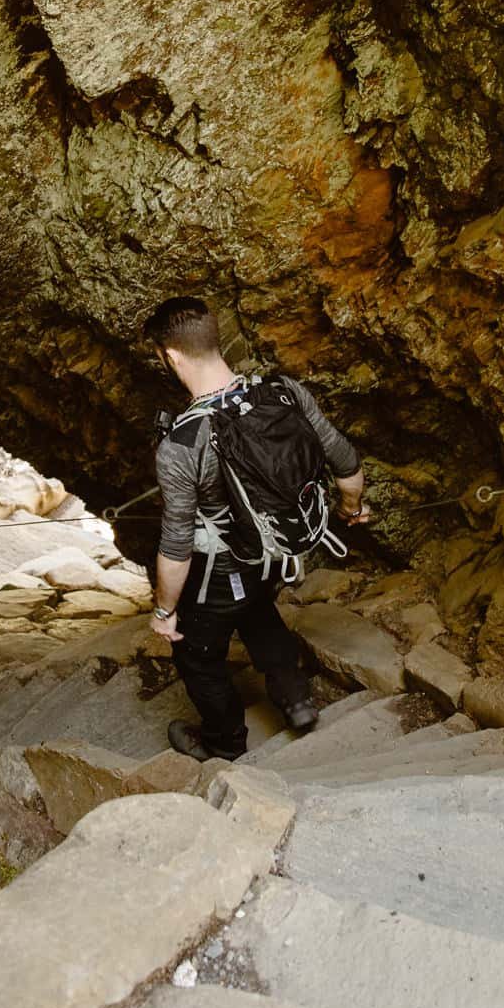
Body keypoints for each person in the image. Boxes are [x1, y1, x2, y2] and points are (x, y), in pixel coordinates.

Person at [142, 296, 369, 760]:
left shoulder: (182, 444)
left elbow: (177, 543)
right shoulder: (283, 391)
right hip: (278, 550)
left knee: (198, 656)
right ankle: (296, 698)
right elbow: (343, 459)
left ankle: (223, 746)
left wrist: (165, 612)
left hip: (222, 568)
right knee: (257, 610)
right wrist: (352, 507)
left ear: (171, 356)